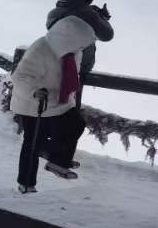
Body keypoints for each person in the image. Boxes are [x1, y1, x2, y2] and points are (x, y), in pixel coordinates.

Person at [9, 14, 98, 193]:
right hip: (35, 102)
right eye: (80, 42)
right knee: (33, 141)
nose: (82, 47)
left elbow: (71, 74)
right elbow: (20, 76)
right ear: (69, 39)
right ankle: (26, 183)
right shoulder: (41, 48)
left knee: (76, 124)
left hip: (60, 101)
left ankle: (57, 162)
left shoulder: (74, 51)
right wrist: (35, 91)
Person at [43, 0, 114, 174]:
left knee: (58, 113)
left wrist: (95, 16)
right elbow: (107, 35)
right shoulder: (86, 13)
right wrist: (100, 18)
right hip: (74, 68)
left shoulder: (55, 11)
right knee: (70, 116)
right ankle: (59, 159)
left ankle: (53, 153)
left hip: (54, 64)